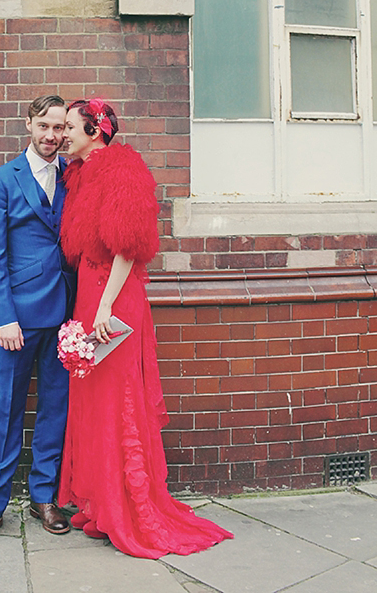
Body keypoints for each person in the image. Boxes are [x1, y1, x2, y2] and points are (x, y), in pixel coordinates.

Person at [58, 97, 233, 559]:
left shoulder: (123, 169)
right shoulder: (79, 174)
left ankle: (128, 508)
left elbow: (129, 247)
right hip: (89, 297)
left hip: (113, 298)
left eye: (71, 127)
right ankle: (102, 502)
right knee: (94, 402)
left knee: (120, 402)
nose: (63, 134)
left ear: (95, 130)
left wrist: (105, 305)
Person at [0, 94, 75, 548]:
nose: (52, 136)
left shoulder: (74, 177)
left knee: (55, 409)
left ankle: (44, 497)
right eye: (44, 126)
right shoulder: (1, 180)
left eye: (59, 129)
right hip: (18, 320)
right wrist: (4, 318)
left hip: (65, 313)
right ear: (29, 123)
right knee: (6, 411)